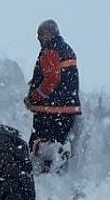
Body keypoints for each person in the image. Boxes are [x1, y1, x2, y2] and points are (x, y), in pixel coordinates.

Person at [25, 18, 81, 173]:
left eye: (40, 34)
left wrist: (34, 97)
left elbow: (52, 78)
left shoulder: (50, 50)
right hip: (68, 109)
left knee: (36, 142)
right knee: (57, 139)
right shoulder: (66, 50)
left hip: (50, 109)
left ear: (50, 33)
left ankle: (55, 152)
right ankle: (54, 172)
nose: (38, 38)